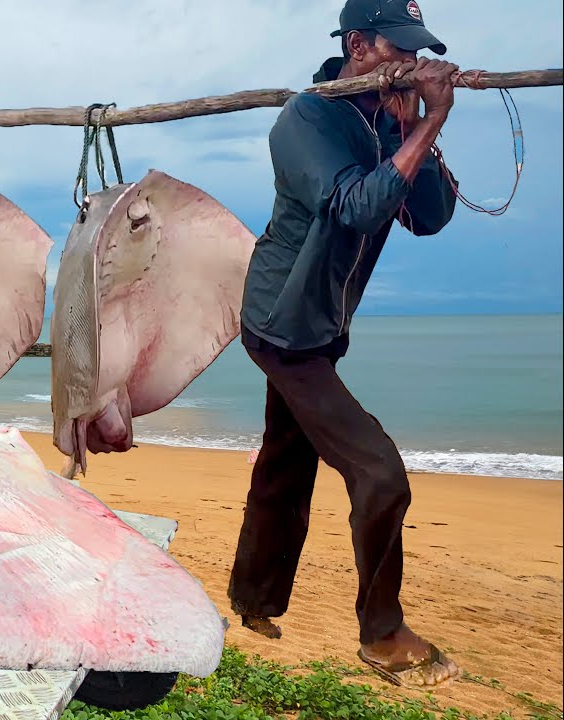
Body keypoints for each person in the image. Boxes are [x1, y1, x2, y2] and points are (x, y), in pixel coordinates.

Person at [228, 0, 462, 688]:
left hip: (324, 325)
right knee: (379, 473)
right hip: (281, 326)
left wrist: (415, 125)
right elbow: (357, 204)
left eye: (421, 53)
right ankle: (383, 634)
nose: (412, 64)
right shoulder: (309, 117)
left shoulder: (384, 120)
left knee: (285, 461)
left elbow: (431, 216)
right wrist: (434, 121)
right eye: (401, 49)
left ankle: (254, 597)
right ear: (359, 45)